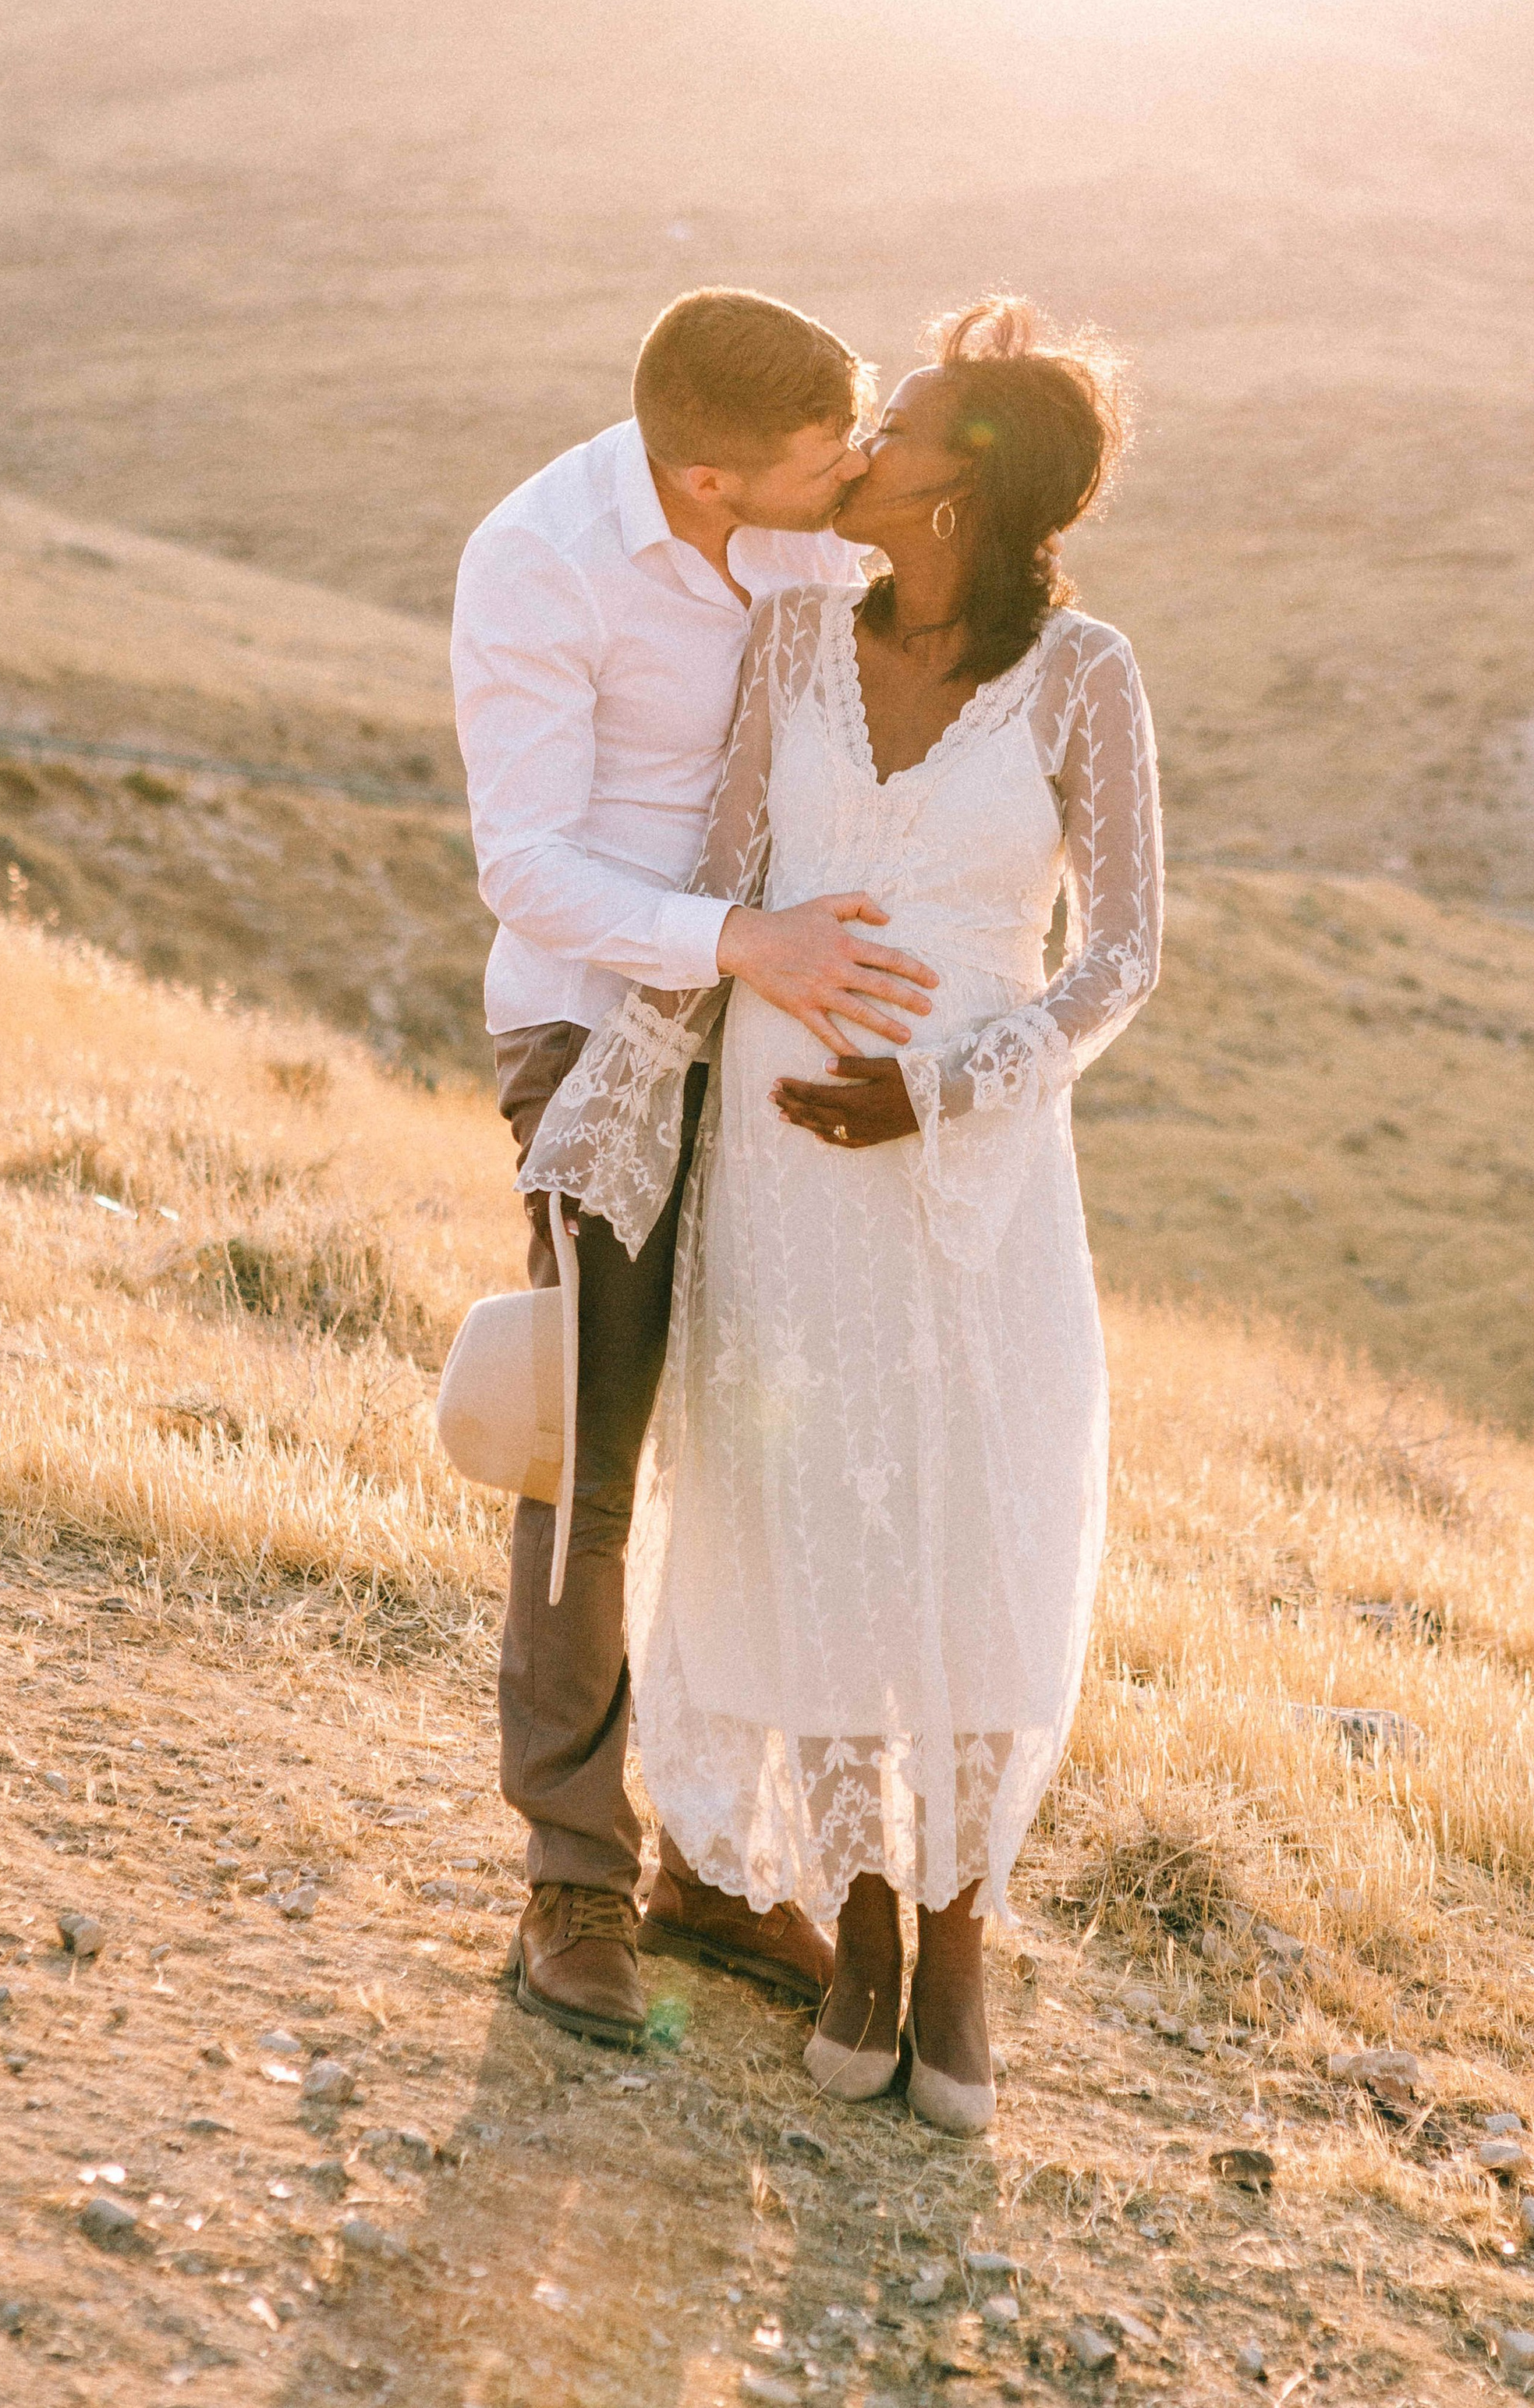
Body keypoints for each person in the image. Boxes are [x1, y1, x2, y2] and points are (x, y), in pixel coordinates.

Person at [519, 297, 1163, 2131]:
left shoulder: (1084, 676)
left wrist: (944, 1087)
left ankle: (962, 1927)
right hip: (784, 1183)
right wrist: (620, 1107)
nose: (863, 436)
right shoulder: (794, 631)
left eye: (909, 417)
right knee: (813, 1517)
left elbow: (1120, 951)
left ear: (968, 483)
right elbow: (727, 877)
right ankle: (864, 1909)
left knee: (972, 1530)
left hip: (970, 1182)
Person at [452, 286, 944, 2048]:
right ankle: (570, 1877)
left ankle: (722, 1867)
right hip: (604, 1037)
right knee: (587, 1455)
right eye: (833, 457)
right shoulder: (540, 563)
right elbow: (526, 868)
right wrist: (736, 943)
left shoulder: (808, 531)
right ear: (718, 480)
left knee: (771, 1460)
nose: (858, 473)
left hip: (792, 1033)